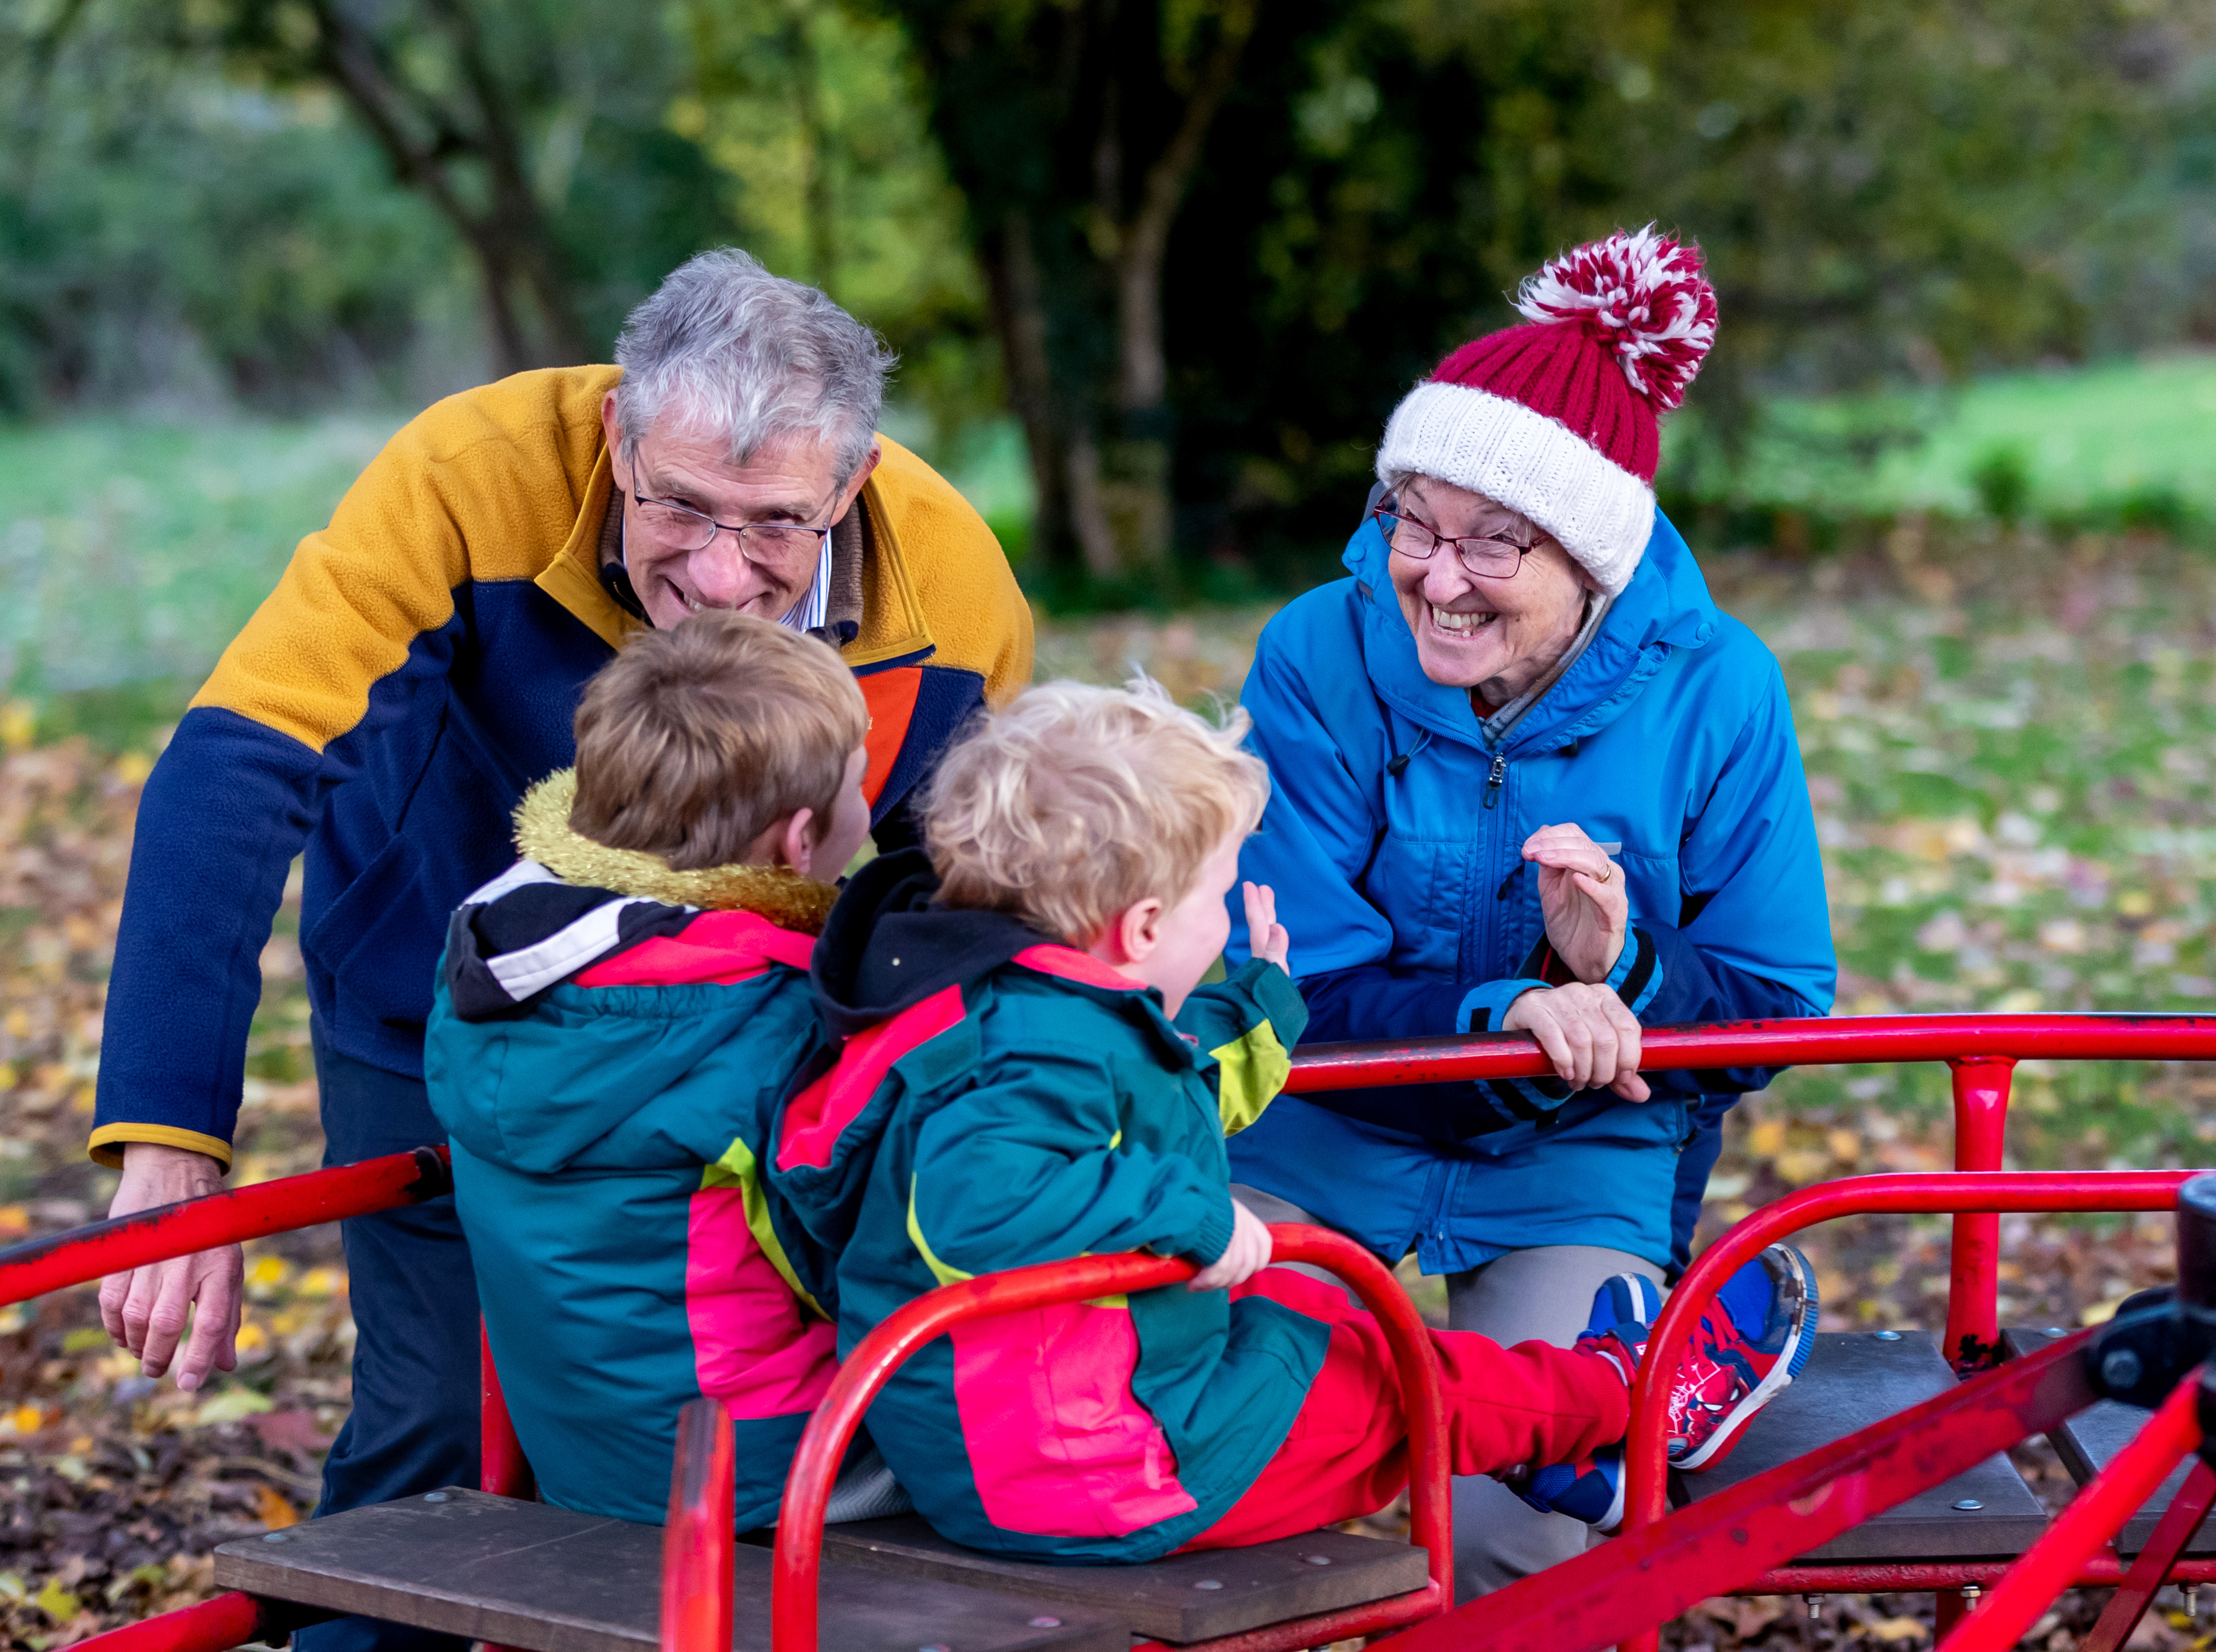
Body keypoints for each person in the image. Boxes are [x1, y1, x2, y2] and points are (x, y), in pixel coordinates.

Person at [88, 251, 1031, 1652]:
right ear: (615, 438)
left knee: (743, 1432)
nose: (718, 575)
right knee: (432, 1415)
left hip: (763, 1057)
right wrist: (169, 1134)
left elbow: (963, 879)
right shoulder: (469, 476)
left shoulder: (949, 582)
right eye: (680, 508)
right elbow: (239, 763)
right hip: (453, 1008)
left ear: (849, 483)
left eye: (774, 524)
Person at [769, 679, 1818, 1561]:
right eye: (1215, 898)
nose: (1226, 917)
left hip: (1014, 1438)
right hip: (1107, 1460)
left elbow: (1151, 1090)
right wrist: (1196, 1216)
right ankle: (1636, 1396)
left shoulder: (985, 1010)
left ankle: (1551, 1450)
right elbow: (976, 1199)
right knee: (1395, 1377)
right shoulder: (1033, 1056)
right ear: (1138, 929)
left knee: (1330, 1340)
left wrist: (1259, 999)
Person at [1222, 226, 1835, 1596]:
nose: (1435, 576)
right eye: (1413, 524)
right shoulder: (1315, 653)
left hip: (1581, 1153)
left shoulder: (1719, 688)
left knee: (1525, 1539)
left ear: (1595, 559)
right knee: (1216, 1448)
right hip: (1331, 1121)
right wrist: (1516, 1014)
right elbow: (1295, 981)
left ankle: (1623, 1389)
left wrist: (1624, 966)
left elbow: (1775, 1002)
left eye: (1491, 543)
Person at [424, 611, 903, 1528]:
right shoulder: (777, 1019)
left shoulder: (493, 968)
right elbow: (880, 1259)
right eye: (858, 783)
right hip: (777, 1472)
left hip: (586, 1461)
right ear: (797, 842)